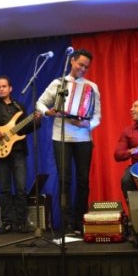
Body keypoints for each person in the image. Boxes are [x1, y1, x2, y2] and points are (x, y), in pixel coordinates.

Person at [36, 48, 101, 235]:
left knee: (83, 180)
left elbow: (97, 116)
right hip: (61, 137)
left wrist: (86, 124)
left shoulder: (92, 87)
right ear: (72, 61)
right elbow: (40, 103)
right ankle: (66, 223)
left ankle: (81, 220)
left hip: (83, 138)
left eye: (86, 67)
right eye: (80, 64)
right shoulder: (58, 83)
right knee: (64, 180)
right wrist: (48, 112)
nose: (83, 69)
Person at [0, 75, 41, 234]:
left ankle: (22, 223)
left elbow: (24, 130)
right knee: (4, 188)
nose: (1, 89)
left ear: (10, 88)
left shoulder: (19, 107)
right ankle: (6, 223)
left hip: (18, 151)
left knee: (21, 188)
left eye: (4, 86)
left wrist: (36, 121)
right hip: (0, 152)